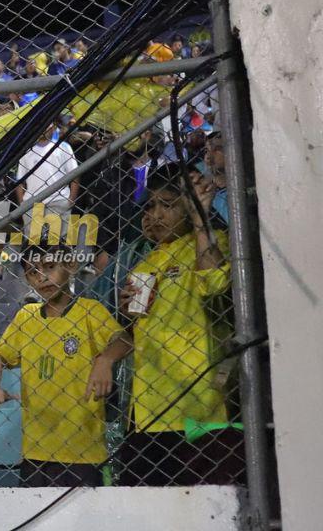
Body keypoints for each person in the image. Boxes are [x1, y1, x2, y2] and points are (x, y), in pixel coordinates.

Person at [115, 163, 240, 485]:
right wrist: (127, 313)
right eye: (150, 205)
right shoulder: (147, 261)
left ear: (191, 207)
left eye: (168, 204)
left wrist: (200, 220)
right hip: (146, 413)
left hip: (198, 410)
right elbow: (136, 327)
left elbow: (213, 284)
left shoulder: (216, 243)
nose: (155, 214)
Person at [0, 240, 132, 487]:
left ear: (70, 265)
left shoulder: (88, 311)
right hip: (35, 452)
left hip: (84, 451)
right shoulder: (26, 317)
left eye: (50, 266)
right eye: (32, 272)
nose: (42, 277)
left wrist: (105, 360)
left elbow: (124, 339)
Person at [15, 121, 79, 237]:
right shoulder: (26, 151)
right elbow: (20, 181)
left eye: (46, 126)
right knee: (34, 244)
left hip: (59, 200)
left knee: (60, 244)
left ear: (53, 127)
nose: (43, 129)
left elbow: (74, 174)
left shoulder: (63, 147)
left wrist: (71, 199)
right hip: (32, 203)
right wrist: (22, 204)